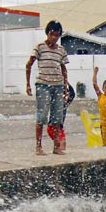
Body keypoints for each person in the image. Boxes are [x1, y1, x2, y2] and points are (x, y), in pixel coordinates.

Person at [25, 20, 69, 155]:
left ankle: (56, 146)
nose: (54, 38)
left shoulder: (61, 50)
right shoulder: (40, 47)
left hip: (58, 86)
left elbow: (64, 69)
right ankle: (38, 146)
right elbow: (29, 65)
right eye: (52, 34)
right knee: (42, 115)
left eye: (57, 35)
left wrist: (65, 87)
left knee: (57, 117)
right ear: (47, 33)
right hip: (43, 84)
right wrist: (27, 84)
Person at [46, 83, 74, 151]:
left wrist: (67, 83)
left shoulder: (65, 104)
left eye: (66, 94)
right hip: (53, 127)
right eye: (63, 94)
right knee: (62, 142)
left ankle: (59, 151)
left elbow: (72, 94)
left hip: (59, 128)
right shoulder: (55, 102)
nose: (65, 96)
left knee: (62, 143)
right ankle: (59, 153)